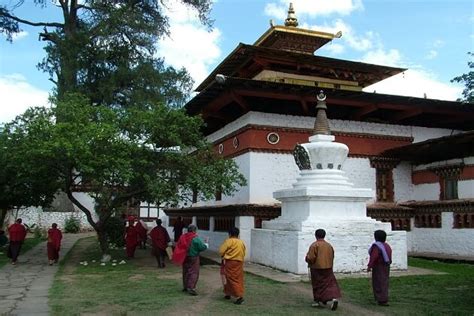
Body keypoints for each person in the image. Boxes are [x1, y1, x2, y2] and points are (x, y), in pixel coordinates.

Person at [305, 228, 341, 311]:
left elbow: (311, 258)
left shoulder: (314, 245)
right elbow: (332, 256)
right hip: (328, 267)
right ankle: (333, 299)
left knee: (318, 284)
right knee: (328, 284)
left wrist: (307, 258)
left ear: (316, 235)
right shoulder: (329, 245)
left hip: (316, 268)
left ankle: (317, 301)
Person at [172, 224, 208, 295]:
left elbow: (178, 246)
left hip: (185, 256)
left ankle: (185, 286)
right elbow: (202, 247)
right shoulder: (195, 238)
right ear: (194, 230)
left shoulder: (182, 237)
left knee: (185, 271)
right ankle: (191, 288)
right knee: (193, 272)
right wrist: (206, 243)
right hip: (193, 257)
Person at [219, 227, 246, 305]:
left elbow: (221, 251)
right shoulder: (241, 242)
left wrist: (225, 255)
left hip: (230, 262)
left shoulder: (229, 241)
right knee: (237, 278)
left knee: (231, 278)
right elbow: (244, 252)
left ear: (230, 234)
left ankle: (239, 297)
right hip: (239, 262)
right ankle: (228, 293)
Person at [367, 229, 392, 306]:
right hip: (386, 266)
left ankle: (381, 299)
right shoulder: (387, 246)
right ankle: (384, 297)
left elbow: (374, 257)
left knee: (378, 282)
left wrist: (369, 266)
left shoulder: (377, 246)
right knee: (384, 281)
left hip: (378, 266)